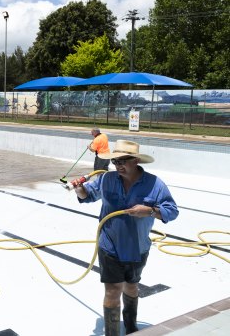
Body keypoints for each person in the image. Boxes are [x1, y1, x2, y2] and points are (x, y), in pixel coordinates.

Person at [73, 140, 179, 335]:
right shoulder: (107, 179)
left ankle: (131, 327)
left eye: (123, 161)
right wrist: (79, 189)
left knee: (131, 287)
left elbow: (172, 211)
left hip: (138, 247)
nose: (118, 165)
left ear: (136, 160)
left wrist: (149, 211)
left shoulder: (154, 184)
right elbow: (87, 195)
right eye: (115, 161)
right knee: (112, 290)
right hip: (109, 246)